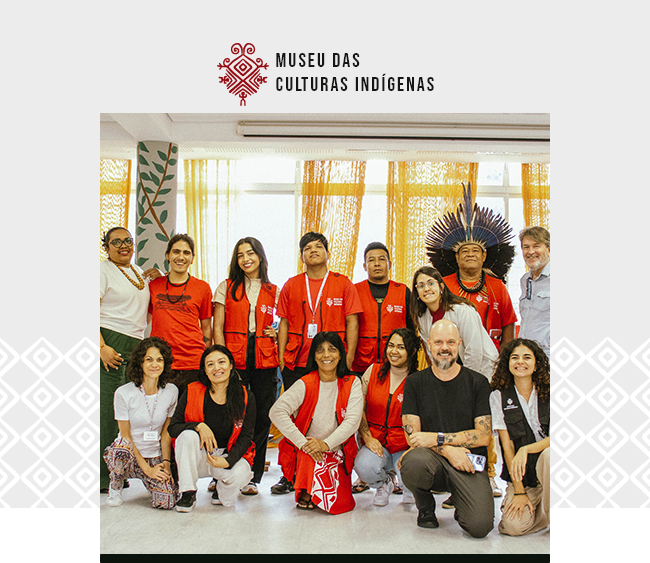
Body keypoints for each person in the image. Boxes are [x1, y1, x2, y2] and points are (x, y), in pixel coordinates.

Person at [272, 232, 363, 494]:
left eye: (319, 246)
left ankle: (333, 466)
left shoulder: (342, 284)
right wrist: (281, 357)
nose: (313, 251)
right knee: (294, 419)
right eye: (308, 248)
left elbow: (352, 322)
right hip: (297, 360)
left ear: (327, 253)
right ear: (301, 256)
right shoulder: (291, 285)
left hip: (332, 362)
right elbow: (284, 323)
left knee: (331, 417)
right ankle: (289, 474)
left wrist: (348, 358)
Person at [399, 319, 494, 537]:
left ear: (459, 344)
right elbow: (413, 437)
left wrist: (436, 438)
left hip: (468, 462)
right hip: (433, 462)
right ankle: (425, 508)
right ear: (429, 345)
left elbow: (482, 437)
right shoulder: (415, 383)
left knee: (479, 527)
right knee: (413, 462)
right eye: (439, 342)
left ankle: (463, 502)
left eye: (451, 342)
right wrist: (448, 449)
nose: (444, 348)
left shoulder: (478, 382)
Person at [213, 236, 279, 496]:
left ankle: (253, 475)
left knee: (262, 416)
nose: (246, 258)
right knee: (230, 416)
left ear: (260, 257)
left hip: (264, 359)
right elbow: (218, 327)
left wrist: (275, 333)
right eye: (240, 255)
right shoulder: (226, 287)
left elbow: (280, 324)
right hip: (234, 359)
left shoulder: (273, 290)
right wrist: (221, 360)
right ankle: (221, 470)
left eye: (250, 253)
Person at [269, 332, 363, 514]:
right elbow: (276, 411)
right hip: (309, 451)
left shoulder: (352, 383)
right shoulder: (305, 383)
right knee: (307, 455)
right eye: (320, 350)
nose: (326, 355)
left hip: (338, 452)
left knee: (342, 504)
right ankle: (305, 490)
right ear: (313, 355)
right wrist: (303, 443)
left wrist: (326, 444)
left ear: (341, 354)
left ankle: (316, 489)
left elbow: (352, 421)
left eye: (332, 350)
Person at [100, 226, 161, 494]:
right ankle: (103, 477)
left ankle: (121, 471)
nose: (123, 245)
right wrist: (101, 346)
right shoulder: (102, 271)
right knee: (108, 412)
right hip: (111, 341)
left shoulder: (138, 272)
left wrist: (158, 279)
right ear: (106, 247)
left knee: (128, 414)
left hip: (135, 345)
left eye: (127, 240)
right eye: (116, 242)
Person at [425, 183, 517, 352]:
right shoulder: (442, 286)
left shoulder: (497, 286)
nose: (470, 254)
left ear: (484, 257)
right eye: (464, 251)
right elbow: (428, 323)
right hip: (451, 355)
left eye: (476, 250)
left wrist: (503, 360)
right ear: (457, 257)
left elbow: (508, 325)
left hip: (491, 356)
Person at [168, 345, 256, 512]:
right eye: (210, 364)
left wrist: (228, 461)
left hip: (226, 456)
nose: (217, 368)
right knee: (187, 436)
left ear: (231, 365)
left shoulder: (246, 396)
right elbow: (173, 428)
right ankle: (188, 492)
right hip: (200, 456)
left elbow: (246, 436)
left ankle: (221, 489)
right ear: (205, 370)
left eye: (221, 362)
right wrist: (198, 426)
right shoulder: (192, 390)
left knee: (242, 474)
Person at [103, 336, 178, 509]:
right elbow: (126, 435)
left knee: (167, 503)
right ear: (140, 363)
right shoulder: (124, 393)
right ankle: (115, 483)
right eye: (149, 359)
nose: (155, 364)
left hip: (155, 456)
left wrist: (165, 463)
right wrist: (146, 469)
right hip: (129, 456)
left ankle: (150, 484)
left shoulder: (171, 391)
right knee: (119, 447)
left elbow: (166, 432)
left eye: (159, 360)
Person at [490, 338, 550, 536]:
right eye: (514, 357)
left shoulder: (551, 390)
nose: (520, 362)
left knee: (550, 455)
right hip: (525, 476)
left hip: (551, 467)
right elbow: (507, 447)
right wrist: (519, 491)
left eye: (527, 357)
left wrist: (526, 448)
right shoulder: (498, 396)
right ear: (507, 363)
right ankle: (542, 514)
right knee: (512, 528)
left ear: (536, 364)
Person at [354, 328, 420, 506]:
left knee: (412, 478)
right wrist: (367, 437)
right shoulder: (373, 371)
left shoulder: (418, 380)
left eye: (401, 347)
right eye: (391, 346)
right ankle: (385, 483)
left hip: (404, 445)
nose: (394, 351)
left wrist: (413, 449)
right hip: (376, 442)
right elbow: (359, 408)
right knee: (364, 467)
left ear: (411, 351)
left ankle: (406, 485)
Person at [148, 234, 213, 397]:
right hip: (161, 362)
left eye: (186, 253)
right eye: (176, 252)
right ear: (167, 256)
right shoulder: (153, 286)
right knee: (161, 416)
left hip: (192, 363)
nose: (181, 257)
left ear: (192, 258)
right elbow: (143, 319)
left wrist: (207, 361)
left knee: (190, 415)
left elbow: (207, 328)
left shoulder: (203, 288)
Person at [351, 242, 413, 375]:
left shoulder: (403, 291)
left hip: (396, 363)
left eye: (382, 259)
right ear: (364, 266)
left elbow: (412, 328)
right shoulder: (354, 291)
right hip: (361, 365)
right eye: (371, 260)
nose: (377, 264)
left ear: (390, 264)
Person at [518, 227, 551, 357]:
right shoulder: (525, 280)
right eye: (526, 247)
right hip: (526, 355)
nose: (531, 252)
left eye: (536, 246)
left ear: (548, 249)